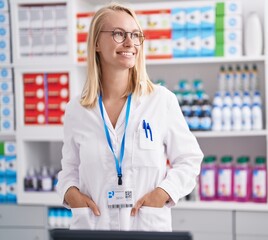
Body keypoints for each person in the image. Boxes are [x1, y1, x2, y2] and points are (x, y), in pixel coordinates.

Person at [56, 2, 203, 231]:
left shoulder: (161, 101)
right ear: (96, 43)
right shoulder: (76, 110)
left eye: (135, 35)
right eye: (118, 34)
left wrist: (163, 193)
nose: (130, 43)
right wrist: (71, 194)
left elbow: (190, 160)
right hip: (94, 229)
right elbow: (69, 170)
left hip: (146, 228)